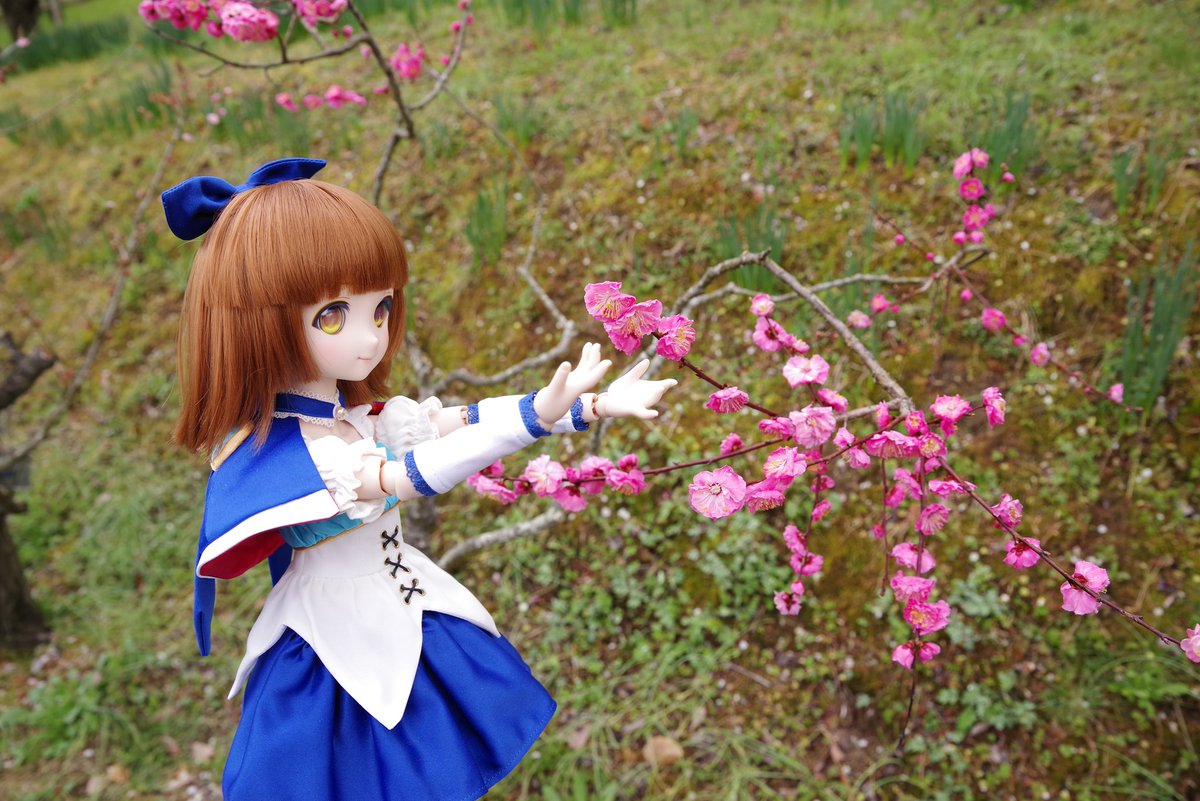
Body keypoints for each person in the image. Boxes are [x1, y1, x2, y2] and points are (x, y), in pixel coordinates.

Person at [163, 158, 676, 800]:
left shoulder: (355, 420)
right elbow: (414, 476)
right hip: (331, 634)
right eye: (333, 316)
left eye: (380, 308)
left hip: (405, 598)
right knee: (350, 773)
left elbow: (455, 422)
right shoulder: (304, 454)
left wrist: (585, 408)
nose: (371, 336)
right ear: (256, 321)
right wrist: (536, 421)